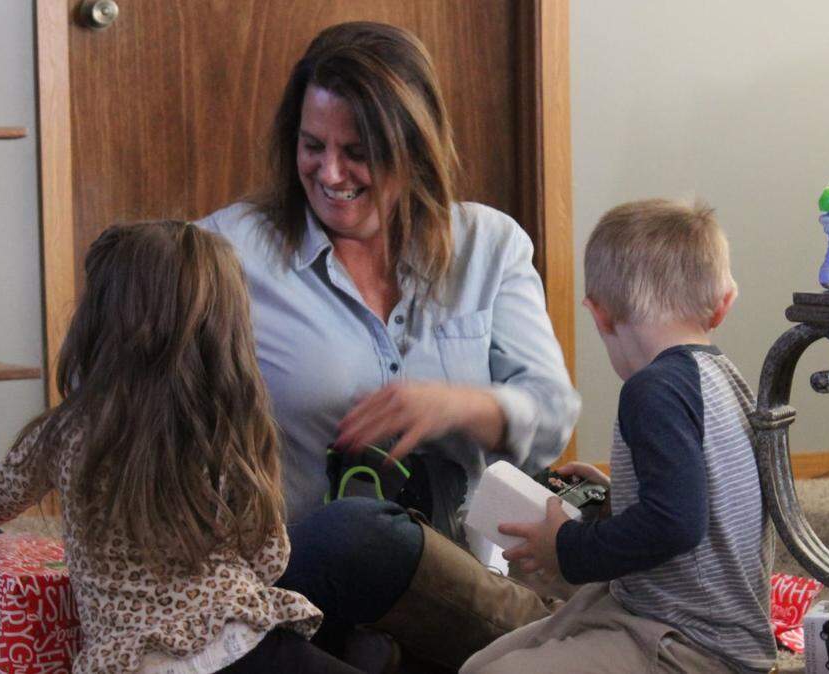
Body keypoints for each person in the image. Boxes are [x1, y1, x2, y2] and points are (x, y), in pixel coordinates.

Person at [194, 20, 580, 667]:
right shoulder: (225, 255)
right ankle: (558, 645)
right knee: (352, 537)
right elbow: (131, 400)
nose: (331, 172)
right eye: (313, 146)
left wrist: (458, 406)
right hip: (304, 577)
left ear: (415, 146)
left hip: (455, 583)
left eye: (359, 151)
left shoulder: (490, 246)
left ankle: (546, 643)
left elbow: (552, 414)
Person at [0, 222, 361, 674]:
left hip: (132, 661)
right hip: (239, 643)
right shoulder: (223, 430)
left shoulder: (65, 432)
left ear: (98, 322)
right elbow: (270, 559)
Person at [460, 199, 776, 673]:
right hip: (672, 613)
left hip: (693, 644)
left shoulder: (651, 391)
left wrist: (564, 546)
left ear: (600, 314)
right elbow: (703, 500)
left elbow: (676, 524)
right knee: (477, 666)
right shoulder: (722, 376)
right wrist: (620, 497)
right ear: (723, 305)